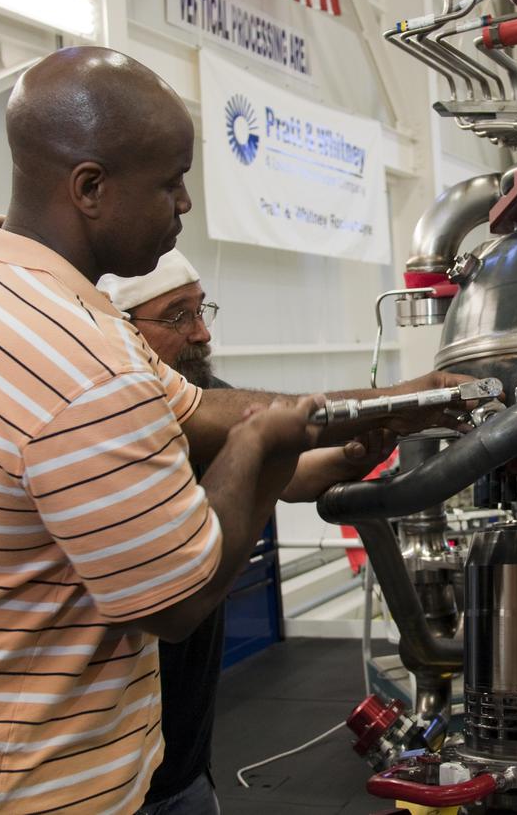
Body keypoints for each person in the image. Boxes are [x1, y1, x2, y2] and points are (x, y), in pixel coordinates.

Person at [0, 47, 465, 814]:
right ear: (90, 187)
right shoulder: (82, 361)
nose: (186, 204)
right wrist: (262, 445)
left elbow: (197, 410)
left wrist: (393, 401)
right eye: (169, 183)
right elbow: (174, 600)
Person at [98, 249, 375, 815]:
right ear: (122, 330)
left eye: (203, 310)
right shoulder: (108, 423)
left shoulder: (205, 391)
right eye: (178, 316)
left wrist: (358, 451)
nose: (201, 332)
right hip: (110, 771)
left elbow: (290, 476)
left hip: (188, 757)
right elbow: (168, 610)